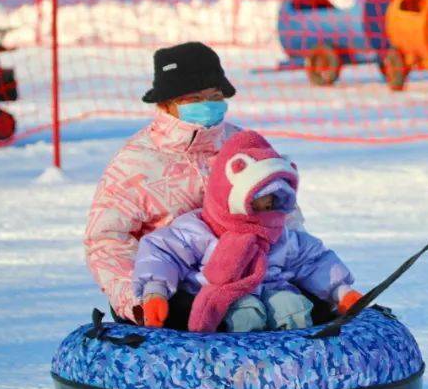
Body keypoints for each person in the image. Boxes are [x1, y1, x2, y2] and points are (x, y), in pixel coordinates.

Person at [132, 130, 361, 332]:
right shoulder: (199, 230)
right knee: (246, 315)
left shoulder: (280, 235)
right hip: (220, 295)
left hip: (272, 290)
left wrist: (340, 291)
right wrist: (155, 291)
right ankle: (235, 365)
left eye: (273, 203)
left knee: (294, 308)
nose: (266, 210)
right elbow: (164, 253)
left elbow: (312, 261)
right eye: (259, 202)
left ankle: (295, 362)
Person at [84, 42, 244, 325]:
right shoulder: (136, 161)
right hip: (170, 286)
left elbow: (281, 218)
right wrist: (140, 297)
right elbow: (107, 239)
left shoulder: (242, 146)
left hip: (244, 276)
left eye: (215, 95)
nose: (206, 105)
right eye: (193, 99)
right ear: (165, 104)